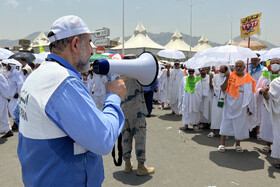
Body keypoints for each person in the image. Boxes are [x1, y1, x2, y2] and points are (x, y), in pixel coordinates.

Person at [17, 15, 127, 186]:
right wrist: (113, 96)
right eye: (89, 43)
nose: (92, 51)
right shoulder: (63, 81)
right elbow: (104, 140)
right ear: (75, 44)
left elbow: (18, 115)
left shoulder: (37, 75)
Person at [218, 60, 256, 153]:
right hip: (229, 105)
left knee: (240, 124)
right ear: (234, 67)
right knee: (226, 123)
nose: (238, 68)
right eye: (237, 66)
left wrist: (250, 107)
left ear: (244, 67)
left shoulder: (248, 78)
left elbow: (251, 94)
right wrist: (227, 77)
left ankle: (238, 144)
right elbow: (223, 88)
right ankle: (222, 144)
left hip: (242, 105)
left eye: (240, 66)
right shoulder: (230, 76)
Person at [121, 75, 155, 176]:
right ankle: (141, 166)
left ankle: (127, 164)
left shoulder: (120, 69)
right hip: (136, 110)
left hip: (123, 109)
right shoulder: (137, 70)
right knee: (140, 137)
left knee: (125, 137)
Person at [256, 58, 280, 153]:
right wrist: (263, 90)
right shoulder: (265, 76)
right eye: (273, 63)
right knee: (267, 124)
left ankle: (277, 147)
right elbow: (257, 89)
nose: (275, 64)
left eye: (277, 63)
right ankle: (267, 144)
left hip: (278, 105)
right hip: (267, 104)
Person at [263, 70, 280, 169]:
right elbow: (269, 98)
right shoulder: (275, 83)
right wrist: (265, 92)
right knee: (278, 137)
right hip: (278, 116)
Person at [248, 56, 268, 139]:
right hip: (249, 92)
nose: (253, 62)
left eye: (255, 60)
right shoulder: (246, 68)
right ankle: (248, 129)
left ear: (259, 60)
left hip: (258, 94)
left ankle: (258, 132)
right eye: (252, 60)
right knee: (249, 110)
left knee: (259, 112)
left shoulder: (264, 70)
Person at [207, 65, 228, 138]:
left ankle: (225, 132)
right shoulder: (215, 76)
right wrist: (210, 79)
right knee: (215, 115)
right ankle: (213, 131)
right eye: (220, 70)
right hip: (216, 99)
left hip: (225, 99)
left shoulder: (229, 77)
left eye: (223, 71)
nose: (221, 72)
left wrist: (227, 77)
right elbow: (211, 87)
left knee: (224, 116)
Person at [0, 62, 13, 138]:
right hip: (2, 98)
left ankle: (8, 130)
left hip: (1, 99)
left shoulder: (0, 76)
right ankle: (8, 130)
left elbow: (5, 87)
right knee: (3, 116)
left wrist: (7, 97)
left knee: (2, 115)